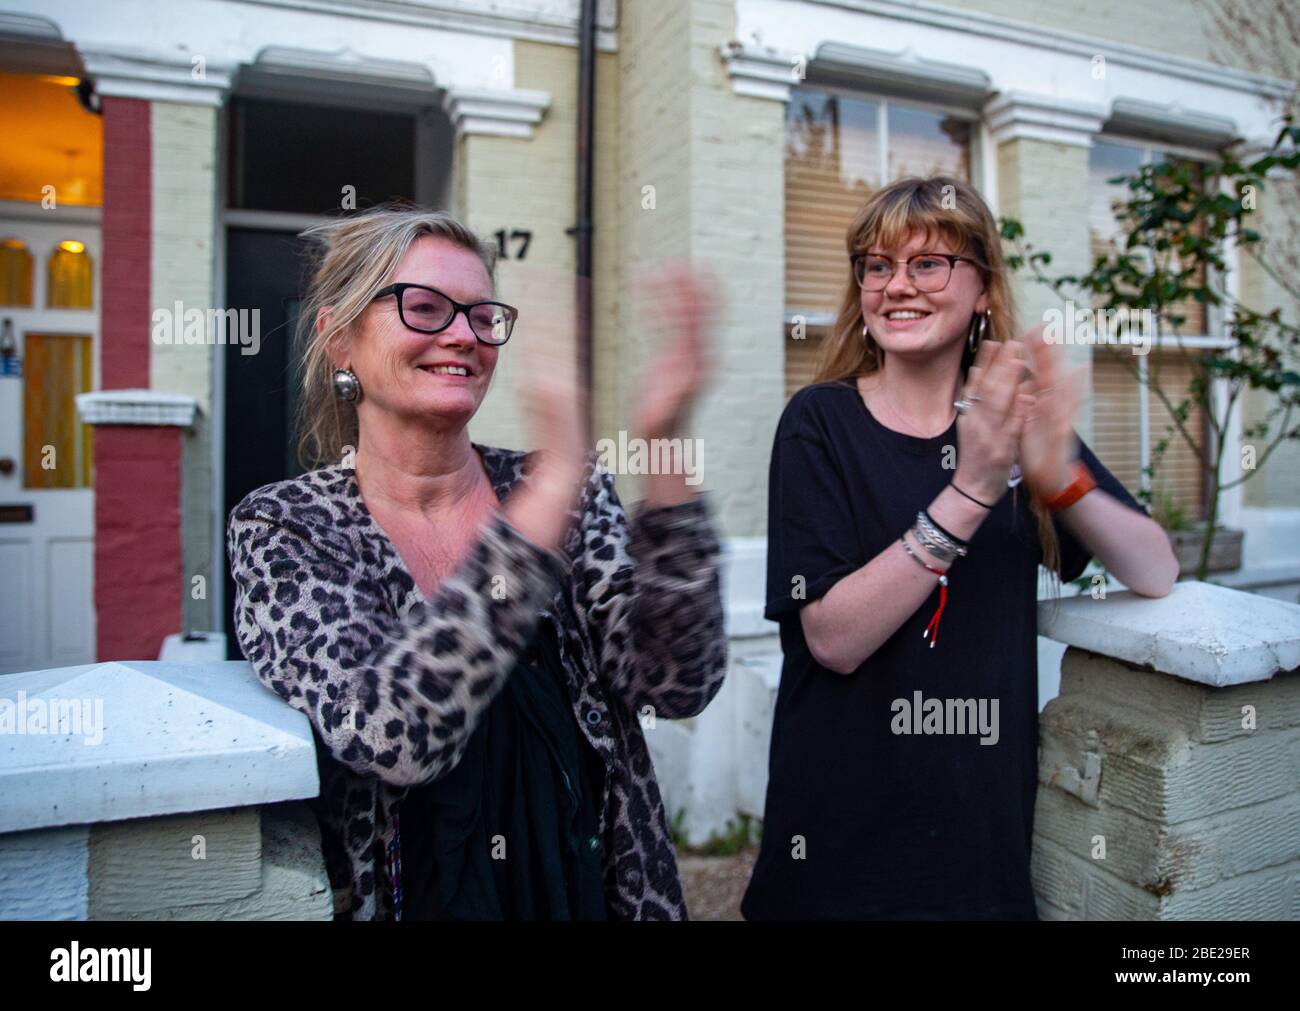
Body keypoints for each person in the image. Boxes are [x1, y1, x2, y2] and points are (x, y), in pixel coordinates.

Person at [228, 205, 726, 920]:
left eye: (481, 315)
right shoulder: (286, 527)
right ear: (338, 337)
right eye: (425, 308)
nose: (464, 334)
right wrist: (549, 494)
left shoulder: (567, 490)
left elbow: (678, 683)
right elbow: (390, 732)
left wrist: (666, 438)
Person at [742, 175, 1177, 920]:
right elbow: (833, 637)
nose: (896, 285)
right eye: (877, 265)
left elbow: (1154, 568)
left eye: (927, 263)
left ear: (981, 288)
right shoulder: (819, 422)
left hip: (981, 844)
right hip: (839, 841)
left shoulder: (1017, 422)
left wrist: (1056, 477)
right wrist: (974, 487)